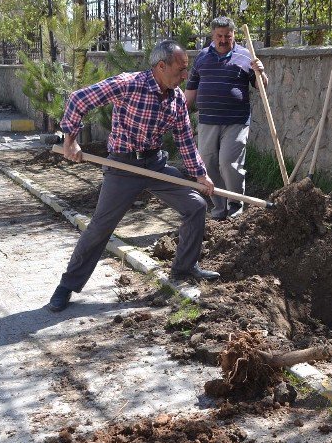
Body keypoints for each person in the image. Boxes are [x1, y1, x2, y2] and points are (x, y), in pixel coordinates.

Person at [48, 39, 219, 312]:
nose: (186, 76)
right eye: (180, 69)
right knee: (101, 227)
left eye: (187, 69)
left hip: (154, 165)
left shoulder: (175, 100)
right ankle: (67, 286)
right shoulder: (129, 84)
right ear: (161, 66)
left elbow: (186, 141)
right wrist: (71, 140)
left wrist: (200, 176)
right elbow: (79, 99)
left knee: (196, 205)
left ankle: (184, 268)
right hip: (123, 168)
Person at [184, 16, 267, 220]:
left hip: (236, 121)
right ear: (212, 35)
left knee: (229, 162)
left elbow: (261, 87)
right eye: (219, 36)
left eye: (227, 36)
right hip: (207, 121)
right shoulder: (202, 57)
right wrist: (179, 113)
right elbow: (190, 91)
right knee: (208, 164)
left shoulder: (246, 56)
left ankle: (236, 206)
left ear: (234, 35)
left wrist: (261, 72)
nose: (223, 40)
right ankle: (220, 208)